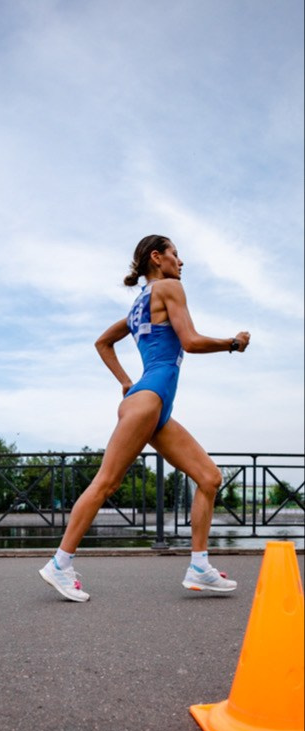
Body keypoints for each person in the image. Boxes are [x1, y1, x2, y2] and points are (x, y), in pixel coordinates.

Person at [40, 237, 250, 603]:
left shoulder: (138, 305)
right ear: (157, 257)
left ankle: (199, 566)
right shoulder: (170, 288)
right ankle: (60, 563)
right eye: (175, 254)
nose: (180, 262)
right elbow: (190, 341)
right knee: (106, 482)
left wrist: (125, 382)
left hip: (151, 401)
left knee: (208, 477)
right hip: (149, 398)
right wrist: (232, 343)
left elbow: (102, 343)